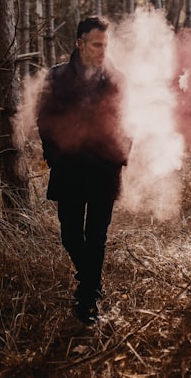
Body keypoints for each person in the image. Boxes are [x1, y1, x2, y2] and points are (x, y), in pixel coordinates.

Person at [36, 16, 131, 324]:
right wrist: (53, 155)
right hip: (70, 169)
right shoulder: (57, 78)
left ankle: (88, 299)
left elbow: (129, 121)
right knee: (70, 235)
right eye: (96, 44)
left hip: (105, 169)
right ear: (79, 43)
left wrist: (121, 154)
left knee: (97, 237)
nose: (103, 50)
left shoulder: (116, 79)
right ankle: (91, 281)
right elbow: (44, 119)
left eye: (106, 45)